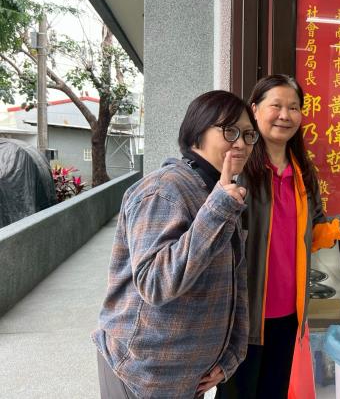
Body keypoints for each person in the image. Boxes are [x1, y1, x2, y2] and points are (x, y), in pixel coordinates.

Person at [92, 91, 259, 398]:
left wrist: (230, 357)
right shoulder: (164, 189)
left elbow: (233, 282)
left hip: (187, 378)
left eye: (249, 135)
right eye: (230, 131)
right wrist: (219, 208)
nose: (241, 143)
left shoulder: (217, 191)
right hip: (142, 376)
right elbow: (155, 283)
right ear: (197, 133)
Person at [217, 74, 340, 399]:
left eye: (293, 107)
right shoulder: (237, 169)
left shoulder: (302, 172)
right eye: (276, 106)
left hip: (290, 313)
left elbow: (310, 235)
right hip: (243, 316)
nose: (285, 115)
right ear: (255, 109)